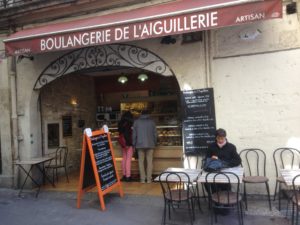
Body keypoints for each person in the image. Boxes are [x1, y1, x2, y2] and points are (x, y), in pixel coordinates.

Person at [205, 128, 241, 215]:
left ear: (225, 137)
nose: (220, 140)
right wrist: (211, 159)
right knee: (208, 183)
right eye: (218, 138)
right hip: (214, 171)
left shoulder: (231, 147)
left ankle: (225, 204)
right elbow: (206, 159)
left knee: (224, 186)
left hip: (226, 171)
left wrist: (223, 163)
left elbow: (238, 161)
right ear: (216, 138)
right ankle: (216, 203)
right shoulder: (211, 146)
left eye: (222, 138)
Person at [132, 110, 157, 183]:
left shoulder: (136, 122)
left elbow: (134, 135)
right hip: (150, 144)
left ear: (141, 114)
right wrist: (155, 142)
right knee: (149, 162)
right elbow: (155, 134)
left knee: (141, 162)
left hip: (139, 144)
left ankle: (142, 179)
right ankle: (149, 179)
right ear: (148, 114)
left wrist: (134, 144)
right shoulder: (152, 122)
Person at [118, 111, 134, 182]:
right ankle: (128, 176)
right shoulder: (129, 123)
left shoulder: (120, 122)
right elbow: (127, 134)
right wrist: (129, 143)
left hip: (122, 143)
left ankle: (124, 175)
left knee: (124, 158)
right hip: (128, 143)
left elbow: (120, 133)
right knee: (128, 159)